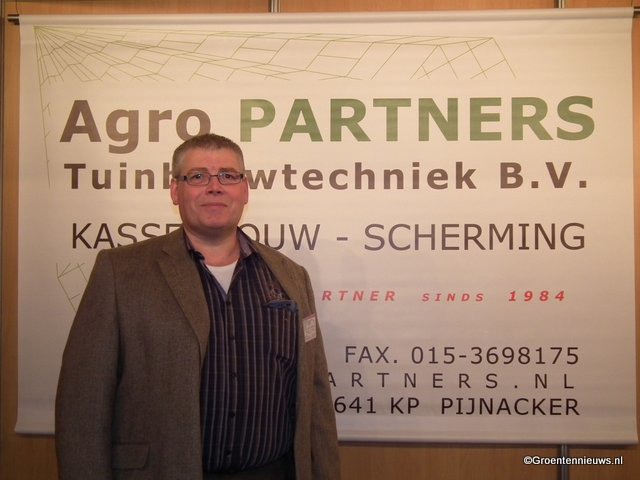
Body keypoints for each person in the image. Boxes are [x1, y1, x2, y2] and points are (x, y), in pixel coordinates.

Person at [55, 133, 341, 480]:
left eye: (228, 175)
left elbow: (315, 395)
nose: (215, 187)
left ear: (245, 189)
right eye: (198, 176)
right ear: (175, 190)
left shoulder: (291, 277)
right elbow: (83, 402)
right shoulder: (120, 272)